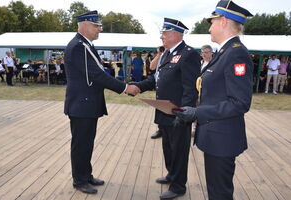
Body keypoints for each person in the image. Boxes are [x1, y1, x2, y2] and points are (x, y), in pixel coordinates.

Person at [173, 1, 253, 200]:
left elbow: (240, 102)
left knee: (219, 194)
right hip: (215, 136)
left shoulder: (236, 53)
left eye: (212, 22)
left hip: (222, 139)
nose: (209, 27)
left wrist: (197, 113)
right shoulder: (225, 52)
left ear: (224, 21)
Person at [64, 10, 139, 195]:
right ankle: (79, 180)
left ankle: (86, 174)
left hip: (87, 104)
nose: (99, 30)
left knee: (87, 143)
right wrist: (124, 88)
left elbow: (97, 73)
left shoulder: (84, 45)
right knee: (81, 143)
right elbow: (97, 75)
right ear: (84, 25)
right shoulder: (77, 47)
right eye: (96, 26)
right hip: (82, 105)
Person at [132, 18, 201, 200]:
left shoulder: (189, 54)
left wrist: (185, 112)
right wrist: (138, 86)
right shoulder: (165, 54)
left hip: (178, 113)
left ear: (175, 34)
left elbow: (191, 88)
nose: (161, 36)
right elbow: (156, 79)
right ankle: (172, 175)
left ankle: (178, 187)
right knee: (168, 147)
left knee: (179, 150)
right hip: (163, 110)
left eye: (164, 33)